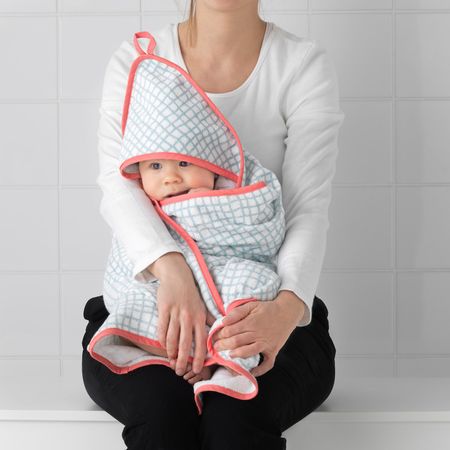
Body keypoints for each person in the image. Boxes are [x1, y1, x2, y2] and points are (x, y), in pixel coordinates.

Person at [82, 0, 344, 448]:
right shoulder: (138, 60)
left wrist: (283, 313)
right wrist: (174, 272)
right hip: (145, 308)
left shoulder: (301, 66)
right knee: (163, 415)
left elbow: (307, 209)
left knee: (234, 418)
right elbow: (119, 184)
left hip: (271, 313)